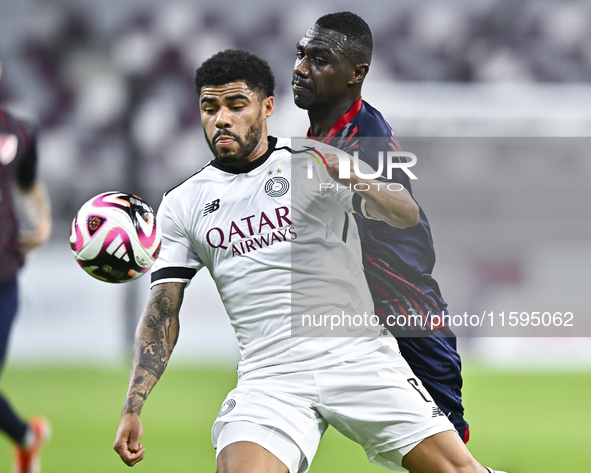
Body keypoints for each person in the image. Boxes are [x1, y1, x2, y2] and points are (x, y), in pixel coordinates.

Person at [113, 49, 503, 473]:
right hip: (271, 376)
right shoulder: (182, 204)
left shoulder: (312, 161)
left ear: (267, 107)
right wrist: (133, 406)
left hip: (357, 357)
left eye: (236, 105)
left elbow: (404, 213)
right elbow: (162, 310)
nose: (221, 119)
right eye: (210, 108)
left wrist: (357, 176)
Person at [292, 12, 469, 443]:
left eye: (318, 59)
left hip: (405, 313)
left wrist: (350, 173)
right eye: (300, 54)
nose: (300, 68)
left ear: (356, 74)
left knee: (448, 450)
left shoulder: (365, 135)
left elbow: (405, 209)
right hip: (356, 315)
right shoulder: (323, 129)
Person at [0, 57, 52, 473]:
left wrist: (43, 221)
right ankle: (26, 437)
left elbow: (29, 184)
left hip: (3, 275)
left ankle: (26, 438)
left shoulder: (16, 131)